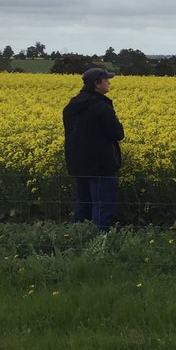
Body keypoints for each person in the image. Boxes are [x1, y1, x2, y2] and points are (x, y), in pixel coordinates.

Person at [62, 67, 125, 230]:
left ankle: (77, 240)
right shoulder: (102, 107)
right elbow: (117, 133)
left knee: (82, 205)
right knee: (102, 206)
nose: (109, 82)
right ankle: (99, 244)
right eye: (106, 80)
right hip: (101, 165)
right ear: (97, 84)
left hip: (77, 164)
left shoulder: (71, 106)